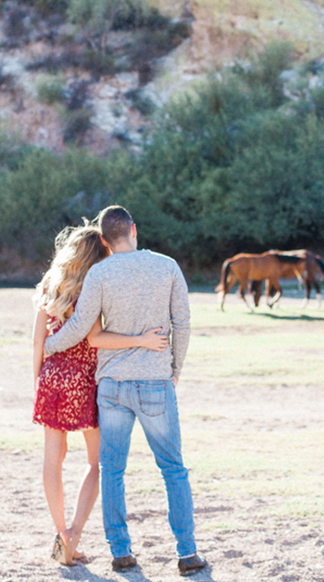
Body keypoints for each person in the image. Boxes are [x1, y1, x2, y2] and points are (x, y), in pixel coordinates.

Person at [44, 205, 207, 577]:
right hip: (155, 382)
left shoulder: (99, 273)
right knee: (173, 470)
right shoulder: (167, 266)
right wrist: (175, 368)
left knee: (111, 470)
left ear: (103, 240)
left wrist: (47, 348)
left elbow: (79, 329)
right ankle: (187, 555)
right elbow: (182, 322)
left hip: (112, 387)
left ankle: (121, 553)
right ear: (134, 230)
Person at [33, 221, 169, 567]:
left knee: (53, 458)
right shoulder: (96, 286)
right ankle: (74, 534)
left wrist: (39, 382)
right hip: (84, 379)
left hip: (51, 377)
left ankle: (61, 533)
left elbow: (37, 341)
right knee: (97, 462)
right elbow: (94, 337)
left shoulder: (51, 284)